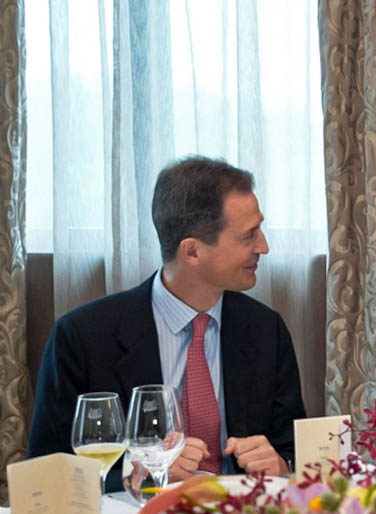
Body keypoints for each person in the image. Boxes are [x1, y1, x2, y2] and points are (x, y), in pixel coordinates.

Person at [28, 156, 307, 491]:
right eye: (248, 236)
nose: (264, 246)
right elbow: (45, 473)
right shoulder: (81, 337)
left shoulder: (265, 330)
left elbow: (292, 450)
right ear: (191, 252)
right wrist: (140, 474)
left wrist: (281, 464)